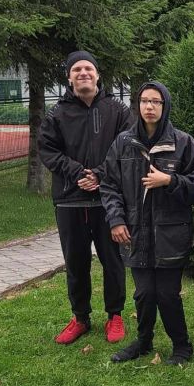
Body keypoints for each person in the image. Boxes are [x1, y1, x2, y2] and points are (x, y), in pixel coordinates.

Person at [100, 82, 194, 365]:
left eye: (155, 102)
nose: (149, 107)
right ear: (137, 105)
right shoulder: (123, 143)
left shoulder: (183, 143)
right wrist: (116, 219)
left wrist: (169, 180)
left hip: (170, 233)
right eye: (144, 101)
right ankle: (144, 341)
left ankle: (182, 346)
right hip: (135, 232)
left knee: (168, 294)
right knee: (144, 293)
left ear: (165, 105)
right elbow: (109, 185)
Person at [38, 50, 132, 345]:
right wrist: (78, 171)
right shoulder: (57, 114)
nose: (83, 73)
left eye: (88, 68)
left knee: (113, 262)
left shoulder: (117, 110)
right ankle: (80, 318)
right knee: (76, 264)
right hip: (70, 200)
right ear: (69, 77)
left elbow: (127, 146)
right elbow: (48, 151)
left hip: (108, 201)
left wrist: (101, 174)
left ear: (97, 75)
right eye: (77, 69)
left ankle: (114, 316)